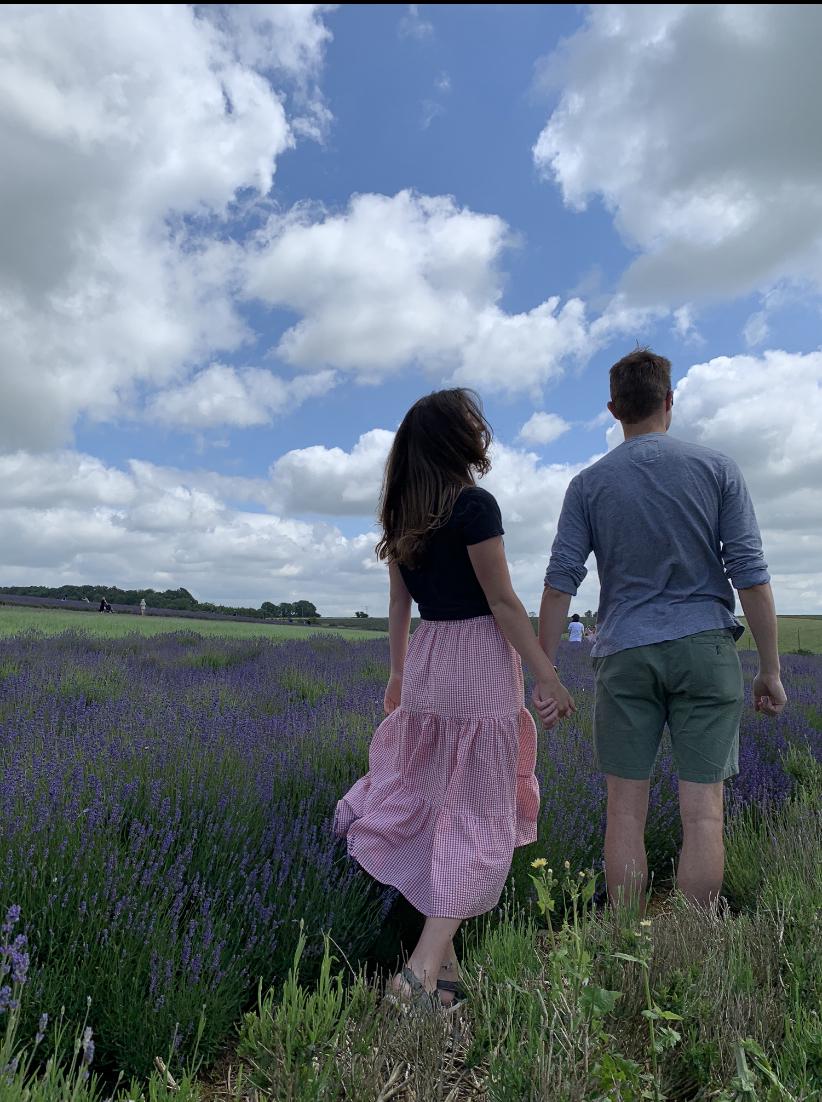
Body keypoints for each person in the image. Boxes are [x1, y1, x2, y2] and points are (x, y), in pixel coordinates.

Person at [335, 388, 574, 1010]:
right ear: (456, 440)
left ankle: (441, 974)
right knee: (478, 815)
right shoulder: (474, 506)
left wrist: (396, 675)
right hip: (478, 667)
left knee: (441, 806)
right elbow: (501, 602)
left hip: (428, 661)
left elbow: (399, 606)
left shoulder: (403, 517)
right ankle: (416, 976)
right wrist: (546, 673)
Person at [539, 348, 786, 909]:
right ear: (669, 401)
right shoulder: (718, 469)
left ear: (612, 409)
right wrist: (769, 669)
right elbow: (751, 575)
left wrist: (546, 671)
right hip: (705, 646)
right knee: (704, 811)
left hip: (625, 651)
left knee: (624, 808)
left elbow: (560, 585)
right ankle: (695, 947)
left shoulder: (587, 485)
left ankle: (624, 938)